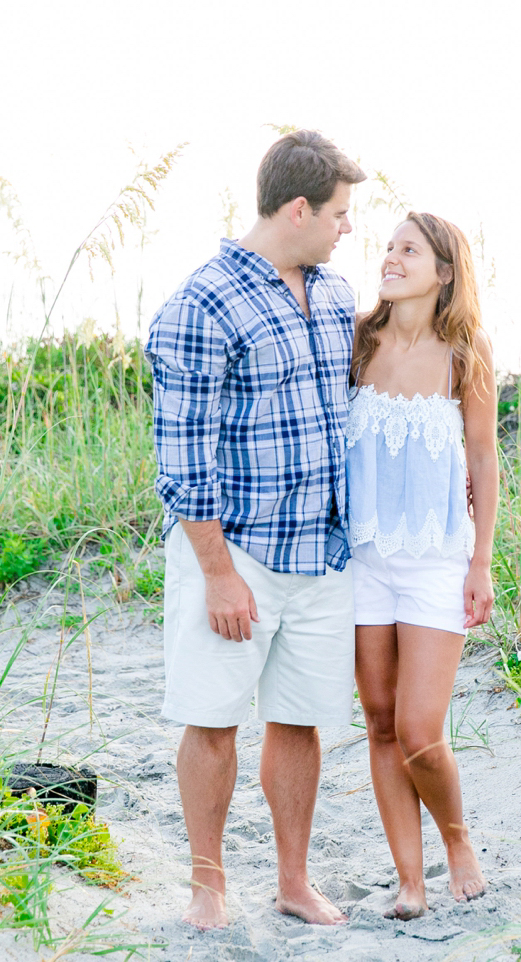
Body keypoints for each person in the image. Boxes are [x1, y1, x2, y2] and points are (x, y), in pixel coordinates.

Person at [146, 130, 365, 930]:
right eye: (340, 213)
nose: (348, 228)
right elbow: (182, 458)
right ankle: (208, 888)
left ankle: (293, 881)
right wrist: (217, 573)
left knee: (299, 721)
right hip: (236, 551)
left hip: (322, 550)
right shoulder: (201, 305)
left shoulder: (335, 294)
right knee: (212, 719)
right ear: (299, 208)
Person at [346, 211, 498, 919]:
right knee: (378, 723)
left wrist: (482, 563)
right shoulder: (357, 341)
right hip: (362, 560)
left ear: (444, 272)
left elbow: (483, 460)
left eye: (409, 249)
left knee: (418, 732)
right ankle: (411, 881)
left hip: (438, 561)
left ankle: (457, 838)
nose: (391, 258)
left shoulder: (466, 356)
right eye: (388, 247)